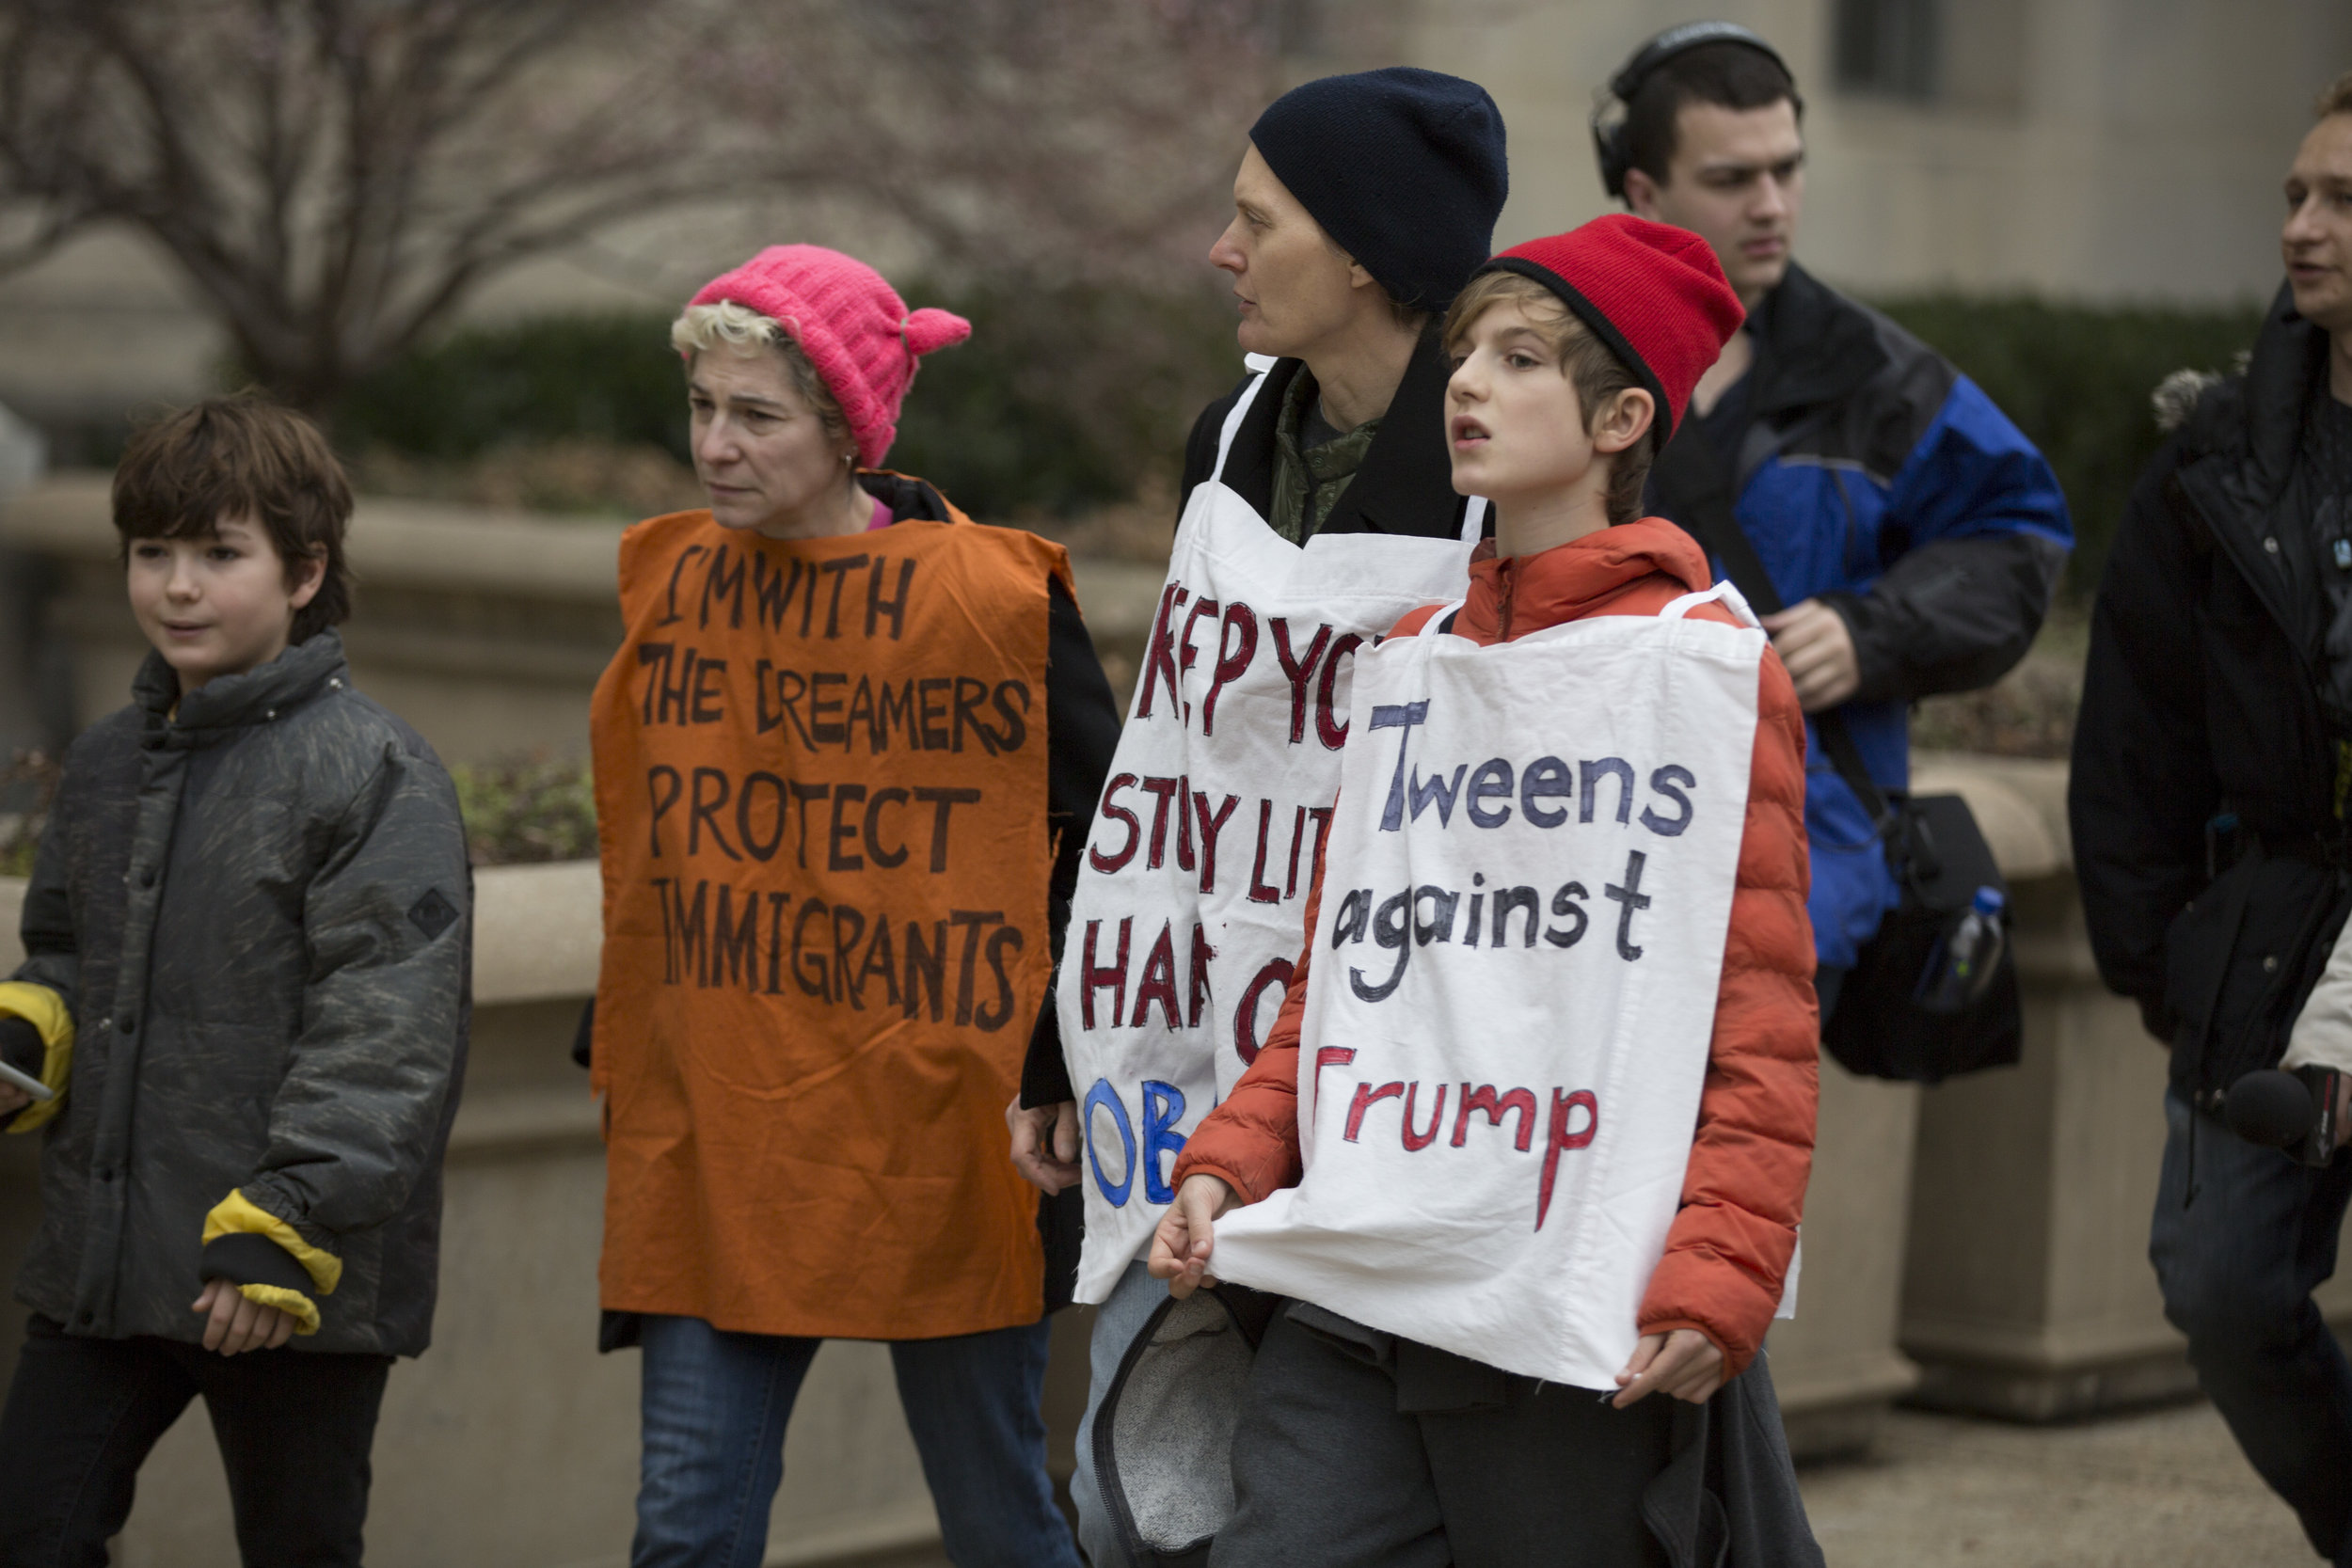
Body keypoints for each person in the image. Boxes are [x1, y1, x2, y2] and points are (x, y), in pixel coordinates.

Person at [1150, 214, 1818, 1567]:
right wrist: (1236, 1153)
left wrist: (1720, 1271)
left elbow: (1757, 1015)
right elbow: (1355, 982)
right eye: (1466, 354)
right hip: (1366, 1256)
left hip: (1562, 1284)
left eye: (1520, 359)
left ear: (1623, 414)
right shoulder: (1408, 662)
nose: (1466, 383)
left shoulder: (1704, 670)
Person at [1002, 67, 1506, 1567]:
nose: (1222, 251)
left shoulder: (1502, 469)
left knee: (1306, 1509)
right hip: (1185, 1048)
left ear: (1362, 251)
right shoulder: (1226, 435)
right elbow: (1168, 764)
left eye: (1255, 218)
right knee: (1126, 1487)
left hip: (1382, 1082)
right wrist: (1061, 1038)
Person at [588, 245, 1120, 1568]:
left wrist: (1052, 1059)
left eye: (755, 415)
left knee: (999, 1518)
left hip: (942, 1129)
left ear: (847, 427)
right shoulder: (673, 585)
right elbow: (653, 847)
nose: (715, 444)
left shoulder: (990, 605)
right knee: (684, 1524)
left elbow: (1103, 839)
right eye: (703, 407)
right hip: (731, 1123)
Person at [0, 398, 471, 1567]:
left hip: (283, 1280)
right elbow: (60, 945)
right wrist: (24, 1034)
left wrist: (287, 1223)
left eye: (220, 553)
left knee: (297, 1548)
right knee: (29, 1529)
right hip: (105, 1259)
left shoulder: (373, 768)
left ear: (305, 570)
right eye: (152, 553)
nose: (178, 586)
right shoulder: (110, 759)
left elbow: (389, 1025)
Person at [1605, 23, 2071, 1012]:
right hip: (1574, 869)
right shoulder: (1558, 357)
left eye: (1787, 169)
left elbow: (2018, 536)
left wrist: (1874, 631)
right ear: (1645, 192)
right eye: (1733, 179)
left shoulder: (1882, 378)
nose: (1770, 206)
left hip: (1791, 892)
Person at [2070, 71, 2352, 1567]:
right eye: (2296, 197)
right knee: (2222, 1282)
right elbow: (2135, 735)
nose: (2301, 227)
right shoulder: (2217, 462)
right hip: (2267, 940)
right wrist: (2156, 951)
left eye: (2343, 202)